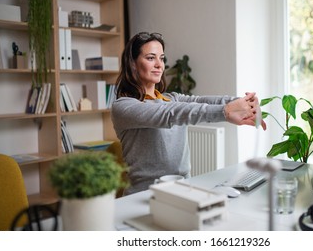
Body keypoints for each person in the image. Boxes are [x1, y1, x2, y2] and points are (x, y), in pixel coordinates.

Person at [111, 32, 266, 195]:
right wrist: (225, 112)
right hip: (144, 194)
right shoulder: (123, 107)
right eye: (151, 58)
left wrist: (243, 101)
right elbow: (170, 113)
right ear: (133, 64)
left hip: (183, 189)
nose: (159, 65)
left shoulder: (172, 98)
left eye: (162, 58)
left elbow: (203, 101)